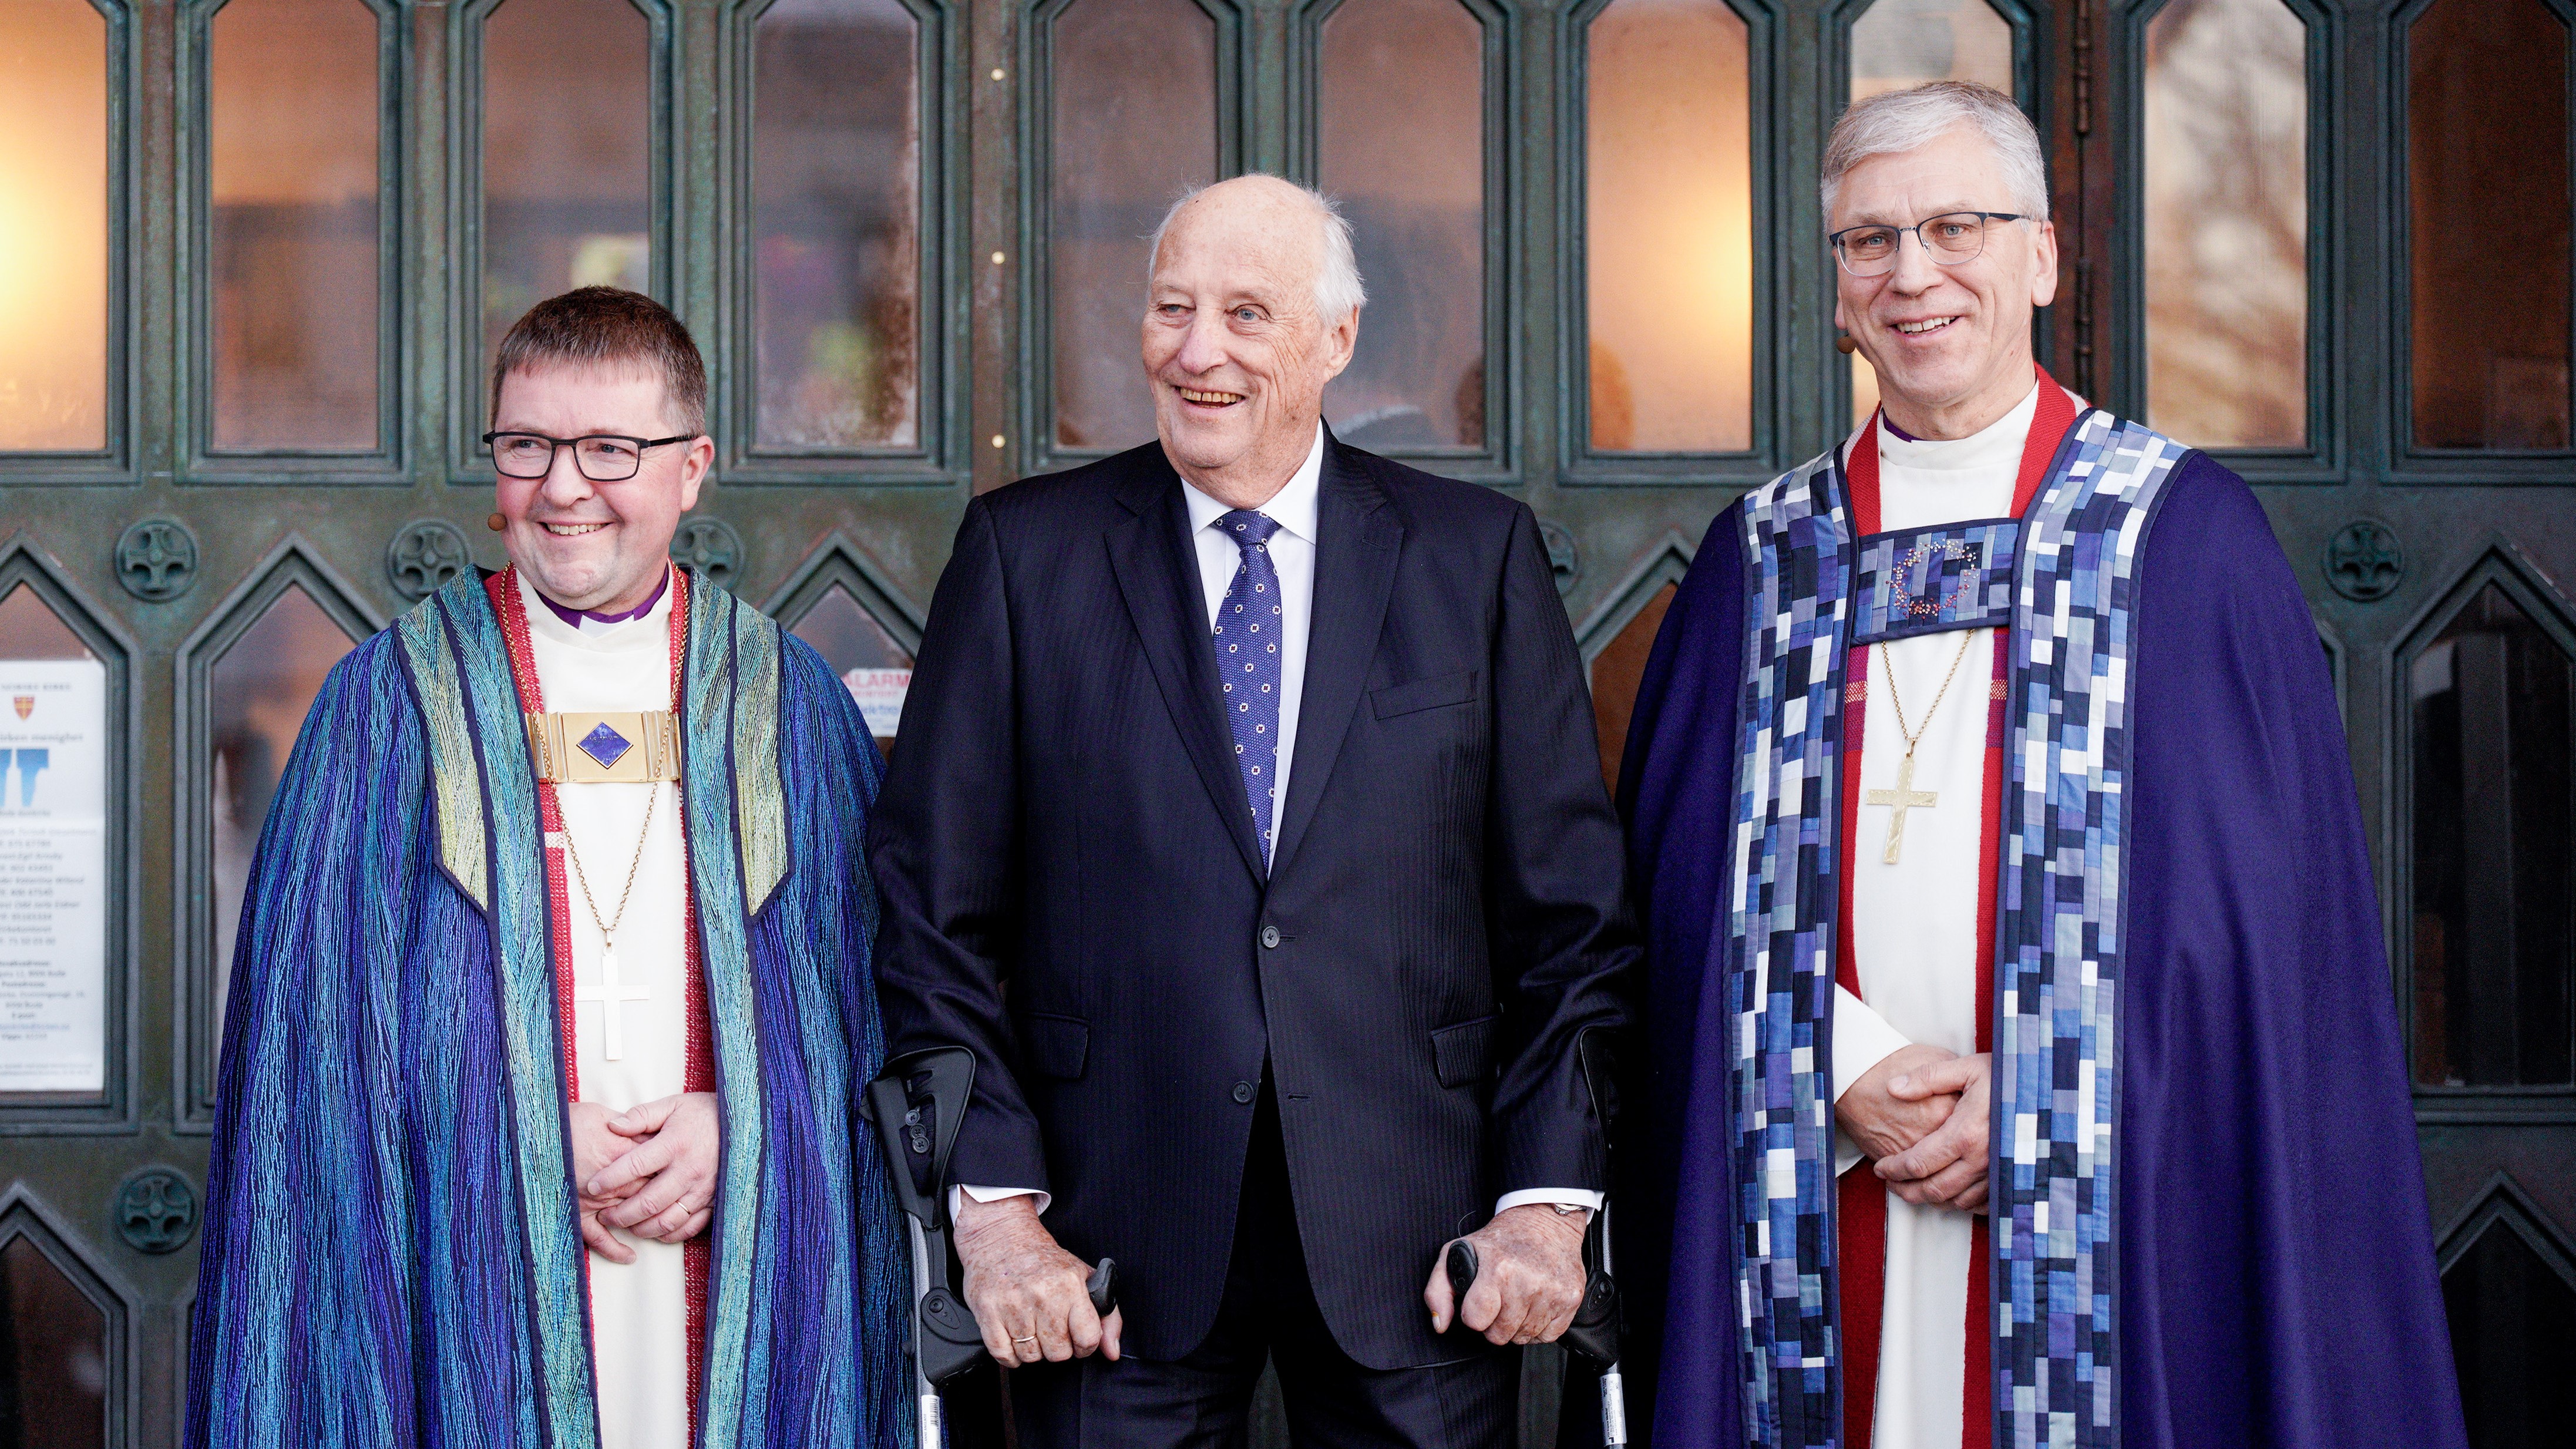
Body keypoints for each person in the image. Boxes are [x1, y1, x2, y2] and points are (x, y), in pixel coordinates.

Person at [1612, 83, 2466, 1449]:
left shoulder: (2178, 539)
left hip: (2118, 1204)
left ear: (2043, 256)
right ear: (1834, 283)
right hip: (1827, 1192)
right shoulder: (1762, 560)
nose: (1915, 273)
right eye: (1870, 240)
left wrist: (2049, 1085)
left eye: (1957, 226)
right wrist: (1835, 1065)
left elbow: (2257, 936)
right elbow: (1662, 897)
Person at [868, 174, 1635, 1448]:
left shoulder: (1473, 557)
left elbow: (1574, 922)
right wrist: (997, 1216)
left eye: (1245, 313)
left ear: (1336, 342)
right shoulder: (1023, 556)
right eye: (1173, 308)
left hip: (1427, 1242)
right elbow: (931, 908)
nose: (1196, 349)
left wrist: (1546, 1207)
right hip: (1101, 1254)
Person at [187, 287, 910, 1449]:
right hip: (466, 1287)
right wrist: (513, 1130)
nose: (564, 488)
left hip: (727, 1258)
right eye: (528, 445)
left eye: (611, 448)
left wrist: (751, 1124)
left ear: (693, 467)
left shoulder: (784, 706)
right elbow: (311, 1048)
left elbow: (867, 1007)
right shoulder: (387, 709)